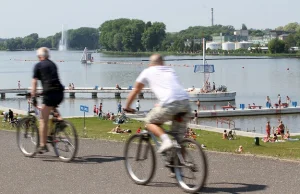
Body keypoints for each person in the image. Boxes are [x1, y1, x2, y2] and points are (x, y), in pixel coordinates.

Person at [124, 54, 190, 153]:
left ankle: (166, 140)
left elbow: (136, 90)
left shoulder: (148, 71)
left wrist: (128, 106)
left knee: (149, 122)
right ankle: (180, 167)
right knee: (178, 141)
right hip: (185, 103)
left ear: (151, 64)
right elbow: (171, 89)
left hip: (170, 103)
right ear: (163, 63)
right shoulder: (170, 70)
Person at [31, 47, 64, 153]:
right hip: (60, 93)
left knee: (42, 119)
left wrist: (33, 95)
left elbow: (34, 82)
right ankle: (59, 120)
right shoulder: (53, 64)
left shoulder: (38, 65)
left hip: (49, 93)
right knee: (52, 107)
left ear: (40, 56)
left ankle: (43, 145)